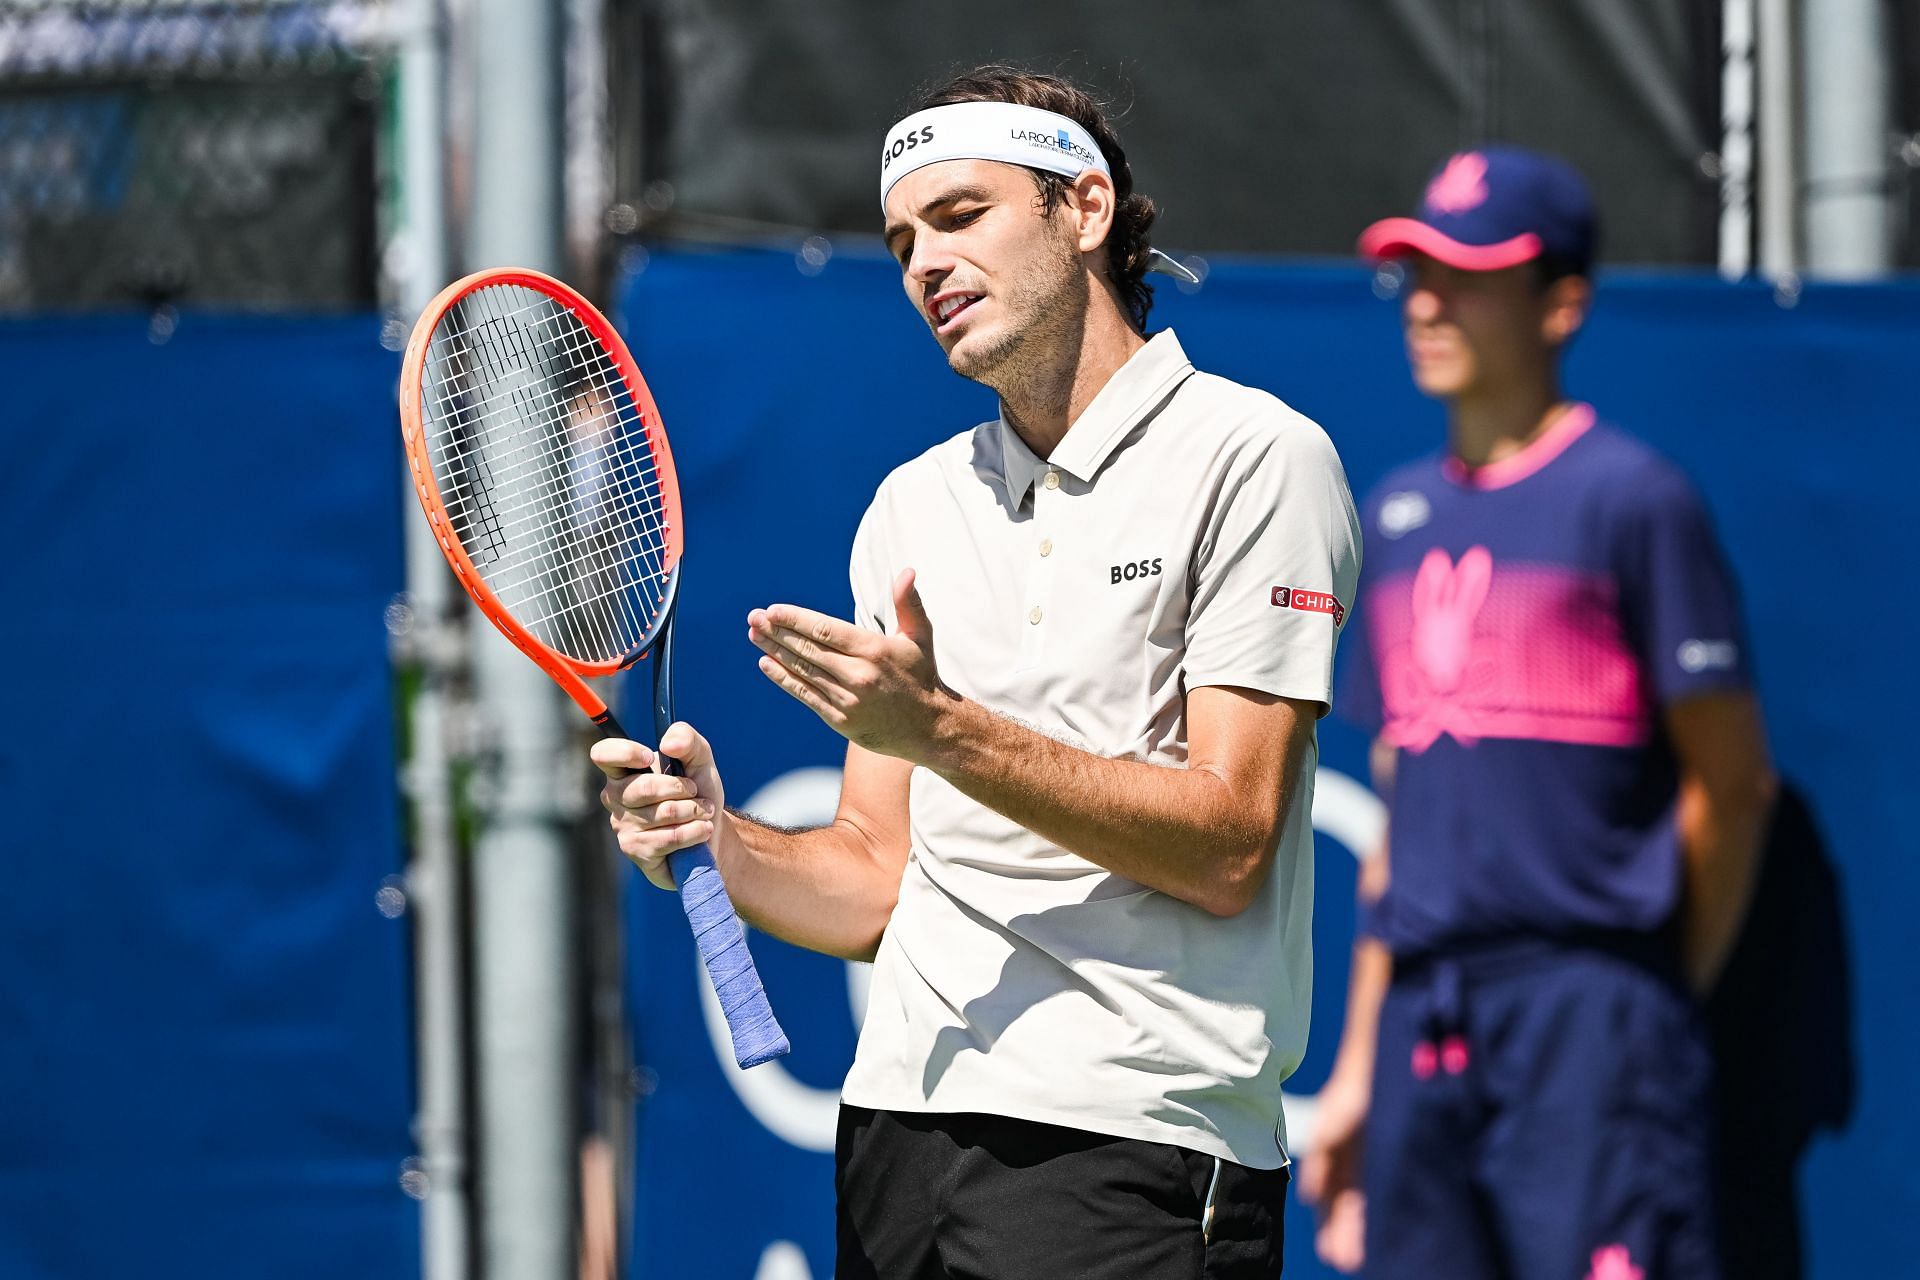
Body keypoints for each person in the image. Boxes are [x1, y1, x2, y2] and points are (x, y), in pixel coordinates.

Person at [594, 65, 1360, 1279]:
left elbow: (1229, 843)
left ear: (1086, 210)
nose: (924, 266)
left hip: (1129, 1154)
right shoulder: (912, 504)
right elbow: (875, 881)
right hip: (894, 1138)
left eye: (960, 216)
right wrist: (717, 840)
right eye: (903, 241)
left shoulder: (1258, 459)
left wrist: (941, 731)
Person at [1297, 147, 1779, 1280]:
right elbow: (1401, 814)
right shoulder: (1398, 513)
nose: (1425, 302)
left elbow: (1732, 787)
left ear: (1561, 300)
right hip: (1423, 1025)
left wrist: (1639, 1000)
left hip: (1596, 1021)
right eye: (1414, 273)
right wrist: (1361, 1069)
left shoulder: (1633, 498)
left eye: (1465, 274)